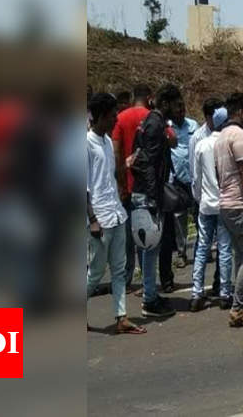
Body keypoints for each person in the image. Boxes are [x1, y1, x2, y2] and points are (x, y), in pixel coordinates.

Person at [86, 93, 145, 334]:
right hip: (98, 217)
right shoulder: (85, 143)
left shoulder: (108, 142)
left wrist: (128, 164)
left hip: (116, 212)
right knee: (97, 272)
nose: (114, 121)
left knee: (119, 269)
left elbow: (108, 176)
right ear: (100, 117)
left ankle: (121, 317)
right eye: (111, 116)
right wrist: (92, 220)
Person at [129, 83, 182, 318]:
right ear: (166, 103)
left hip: (148, 192)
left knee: (150, 246)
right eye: (176, 104)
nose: (177, 108)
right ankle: (149, 299)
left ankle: (150, 293)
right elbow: (148, 163)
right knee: (150, 246)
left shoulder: (154, 122)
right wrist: (152, 197)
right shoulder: (154, 123)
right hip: (147, 195)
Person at [215, 92, 243, 328]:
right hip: (240, 205)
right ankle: (238, 309)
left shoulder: (221, 136)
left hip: (226, 204)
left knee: (241, 255)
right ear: (240, 112)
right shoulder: (239, 136)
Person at [189, 106, 232, 312]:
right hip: (224, 203)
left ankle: (197, 293)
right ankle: (225, 293)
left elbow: (196, 177)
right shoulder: (227, 144)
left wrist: (198, 198)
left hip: (206, 203)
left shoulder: (202, 144)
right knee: (224, 249)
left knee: (202, 248)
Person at [112, 84, 151, 292]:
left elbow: (116, 151)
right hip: (146, 186)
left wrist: (119, 183)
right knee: (145, 233)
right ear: (149, 98)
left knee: (127, 237)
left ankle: (127, 278)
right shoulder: (152, 116)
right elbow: (170, 140)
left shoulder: (120, 118)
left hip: (125, 185)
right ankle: (147, 278)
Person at [168, 99, 199, 270]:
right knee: (179, 218)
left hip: (194, 176)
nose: (180, 114)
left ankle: (201, 249)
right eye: (177, 111)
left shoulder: (193, 125)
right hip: (177, 179)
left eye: (182, 110)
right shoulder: (168, 128)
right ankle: (181, 253)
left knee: (198, 214)